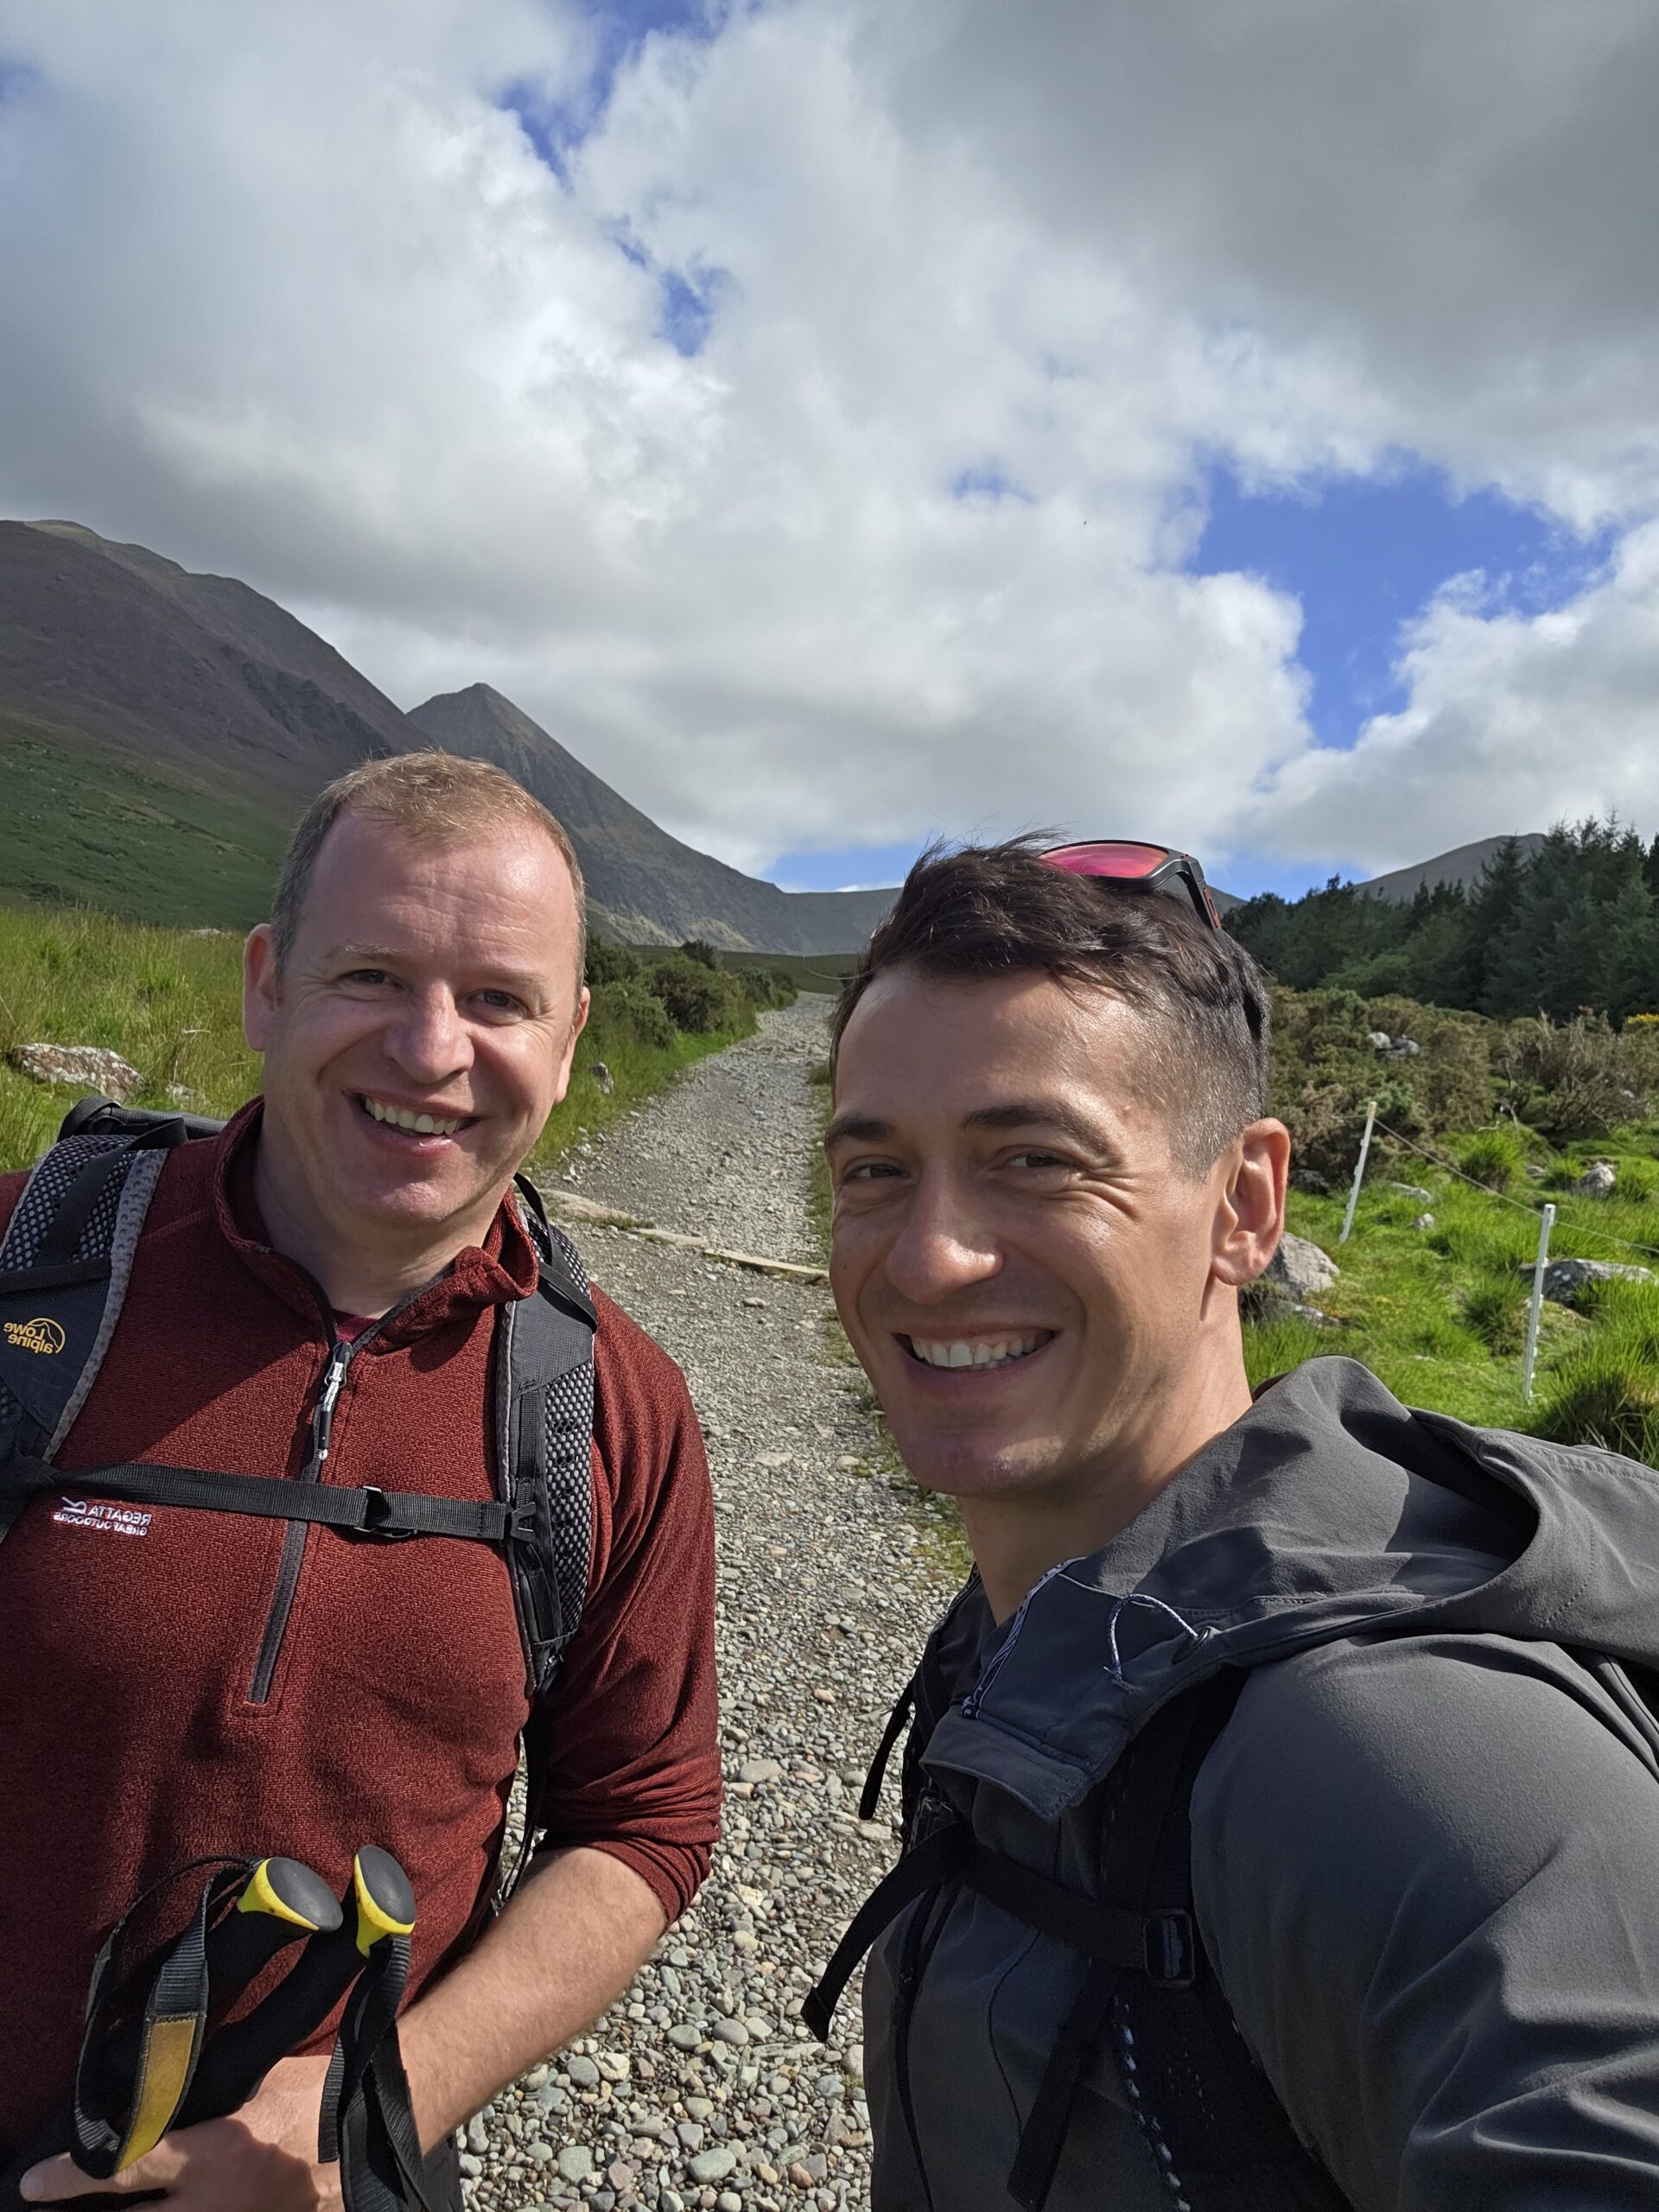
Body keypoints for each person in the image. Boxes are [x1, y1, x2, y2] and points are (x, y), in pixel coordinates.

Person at [814, 836, 1659, 2210]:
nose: (926, 1257)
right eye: (874, 1171)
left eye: (1034, 1158)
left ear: (1247, 1206)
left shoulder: (1392, 1753)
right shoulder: (1049, 1616)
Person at [0, 753, 721, 2211]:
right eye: (372, 975)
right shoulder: (31, 1273)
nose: (431, 1048)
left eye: (500, 999)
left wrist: (368, 2112)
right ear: (268, 986)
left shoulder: (611, 1411)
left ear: (571, 1038)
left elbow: (645, 1820)